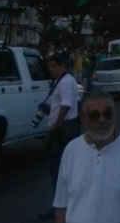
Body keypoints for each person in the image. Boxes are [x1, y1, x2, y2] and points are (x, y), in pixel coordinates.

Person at [53, 91, 120, 223]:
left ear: (114, 115)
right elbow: (61, 204)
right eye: (94, 116)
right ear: (83, 119)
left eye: (107, 114)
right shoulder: (71, 149)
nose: (102, 120)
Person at [39, 54, 81, 220]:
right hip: (66, 127)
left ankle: (60, 208)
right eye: (49, 67)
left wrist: (56, 124)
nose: (51, 69)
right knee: (61, 169)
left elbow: (66, 105)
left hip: (64, 130)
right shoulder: (64, 80)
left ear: (63, 65)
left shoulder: (64, 82)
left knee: (57, 169)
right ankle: (63, 205)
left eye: (55, 66)